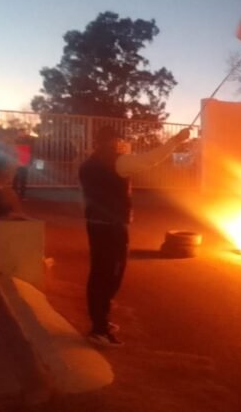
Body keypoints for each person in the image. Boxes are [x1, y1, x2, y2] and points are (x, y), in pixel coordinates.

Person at [79, 126, 190, 347]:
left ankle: (100, 321)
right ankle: (99, 329)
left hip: (96, 224)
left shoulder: (88, 163)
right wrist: (176, 140)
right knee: (111, 275)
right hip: (112, 226)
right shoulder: (117, 162)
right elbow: (150, 160)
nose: (125, 144)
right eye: (122, 141)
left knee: (100, 273)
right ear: (113, 142)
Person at [12, 132, 33, 200]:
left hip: (23, 164)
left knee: (22, 180)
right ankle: (15, 194)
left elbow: (29, 153)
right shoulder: (15, 142)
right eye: (20, 133)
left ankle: (21, 195)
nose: (22, 134)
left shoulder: (27, 142)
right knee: (16, 180)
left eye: (23, 133)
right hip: (17, 164)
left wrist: (28, 162)